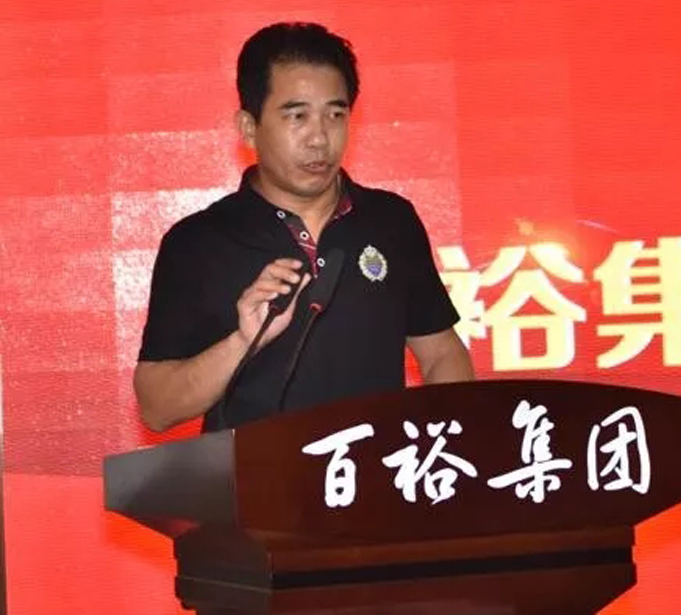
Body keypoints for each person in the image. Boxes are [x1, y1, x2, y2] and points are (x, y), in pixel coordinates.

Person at [133, 22, 475, 433]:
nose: (319, 138)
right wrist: (244, 341)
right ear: (248, 127)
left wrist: (446, 439)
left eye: (335, 114)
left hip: (372, 471)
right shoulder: (197, 242)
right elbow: (157, 408)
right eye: (297, 116)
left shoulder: (391, 221)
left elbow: (441, 354)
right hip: (253, 475)